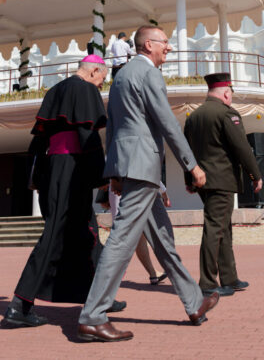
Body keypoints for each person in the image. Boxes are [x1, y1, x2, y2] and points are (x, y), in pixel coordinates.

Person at [77, 26, 216, 342]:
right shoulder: (150, 74)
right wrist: (191, 164)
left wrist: (114, 172)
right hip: (142, 164)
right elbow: (166, 121)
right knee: (122, 238)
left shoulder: (121, 76)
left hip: (132, 165)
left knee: (162, 237)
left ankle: (194, 303)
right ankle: (93, 315)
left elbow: (113, 125)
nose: (169, 48)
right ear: (149, 44)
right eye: (165, 42)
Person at [0, 55, 117, 329]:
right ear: (94, 71)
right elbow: (87, 134)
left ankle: (99, 297)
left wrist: (39, 175)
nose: (102, 84)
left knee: (86, 231)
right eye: (102, 78)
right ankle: (19, 305)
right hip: (71, 167)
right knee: (54, 235)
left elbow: (39, 139)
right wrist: (102, 174)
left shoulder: (55, 90)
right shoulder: (85, 89)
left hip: (54, 166)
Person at [184, 72, 263, 296]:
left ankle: (229, 278)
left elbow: (185, 151)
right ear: (226, 93)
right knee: (215, 229)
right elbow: (242, 147)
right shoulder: (227, 114)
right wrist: (255, 174)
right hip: (222, 180)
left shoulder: (193, 116)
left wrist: (188, 179)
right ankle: (208, 283)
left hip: (202, 181)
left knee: (222, 228)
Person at [100, 180, 170, 285]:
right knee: (121, 239)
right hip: (129, 195)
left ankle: (153, 273)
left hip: (120, 193)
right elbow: (150, 171)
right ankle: (104, 275)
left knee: (137, 237)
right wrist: (164, 193)